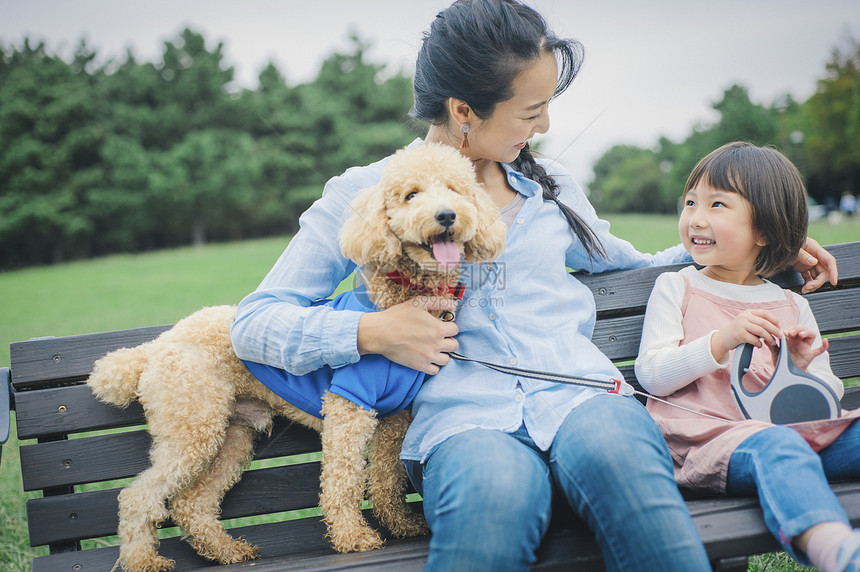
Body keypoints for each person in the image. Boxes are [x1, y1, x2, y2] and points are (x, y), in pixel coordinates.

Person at [231, 2, 838, 570]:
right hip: (463, 423)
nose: (546, 124)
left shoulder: (551, 187)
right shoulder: (367, 192)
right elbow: (255, 322)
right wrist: (373, 331)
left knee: (626, 467)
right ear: (463, 110)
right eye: (530, 111)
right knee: (490, 505)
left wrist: (765, 245)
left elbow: (624, 261)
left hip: (585, 398)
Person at [635, 142, 860, 572]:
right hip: (706, 446)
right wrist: (719, 341)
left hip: (792, 436)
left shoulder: (791, 306)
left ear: (764, 230)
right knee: (776, 446)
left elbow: (829, 394)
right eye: (690, 202)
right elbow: (653, 375)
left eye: (717, 204)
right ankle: (834, 550)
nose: (696, 217)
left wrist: (801, 368)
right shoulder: (678, 287)